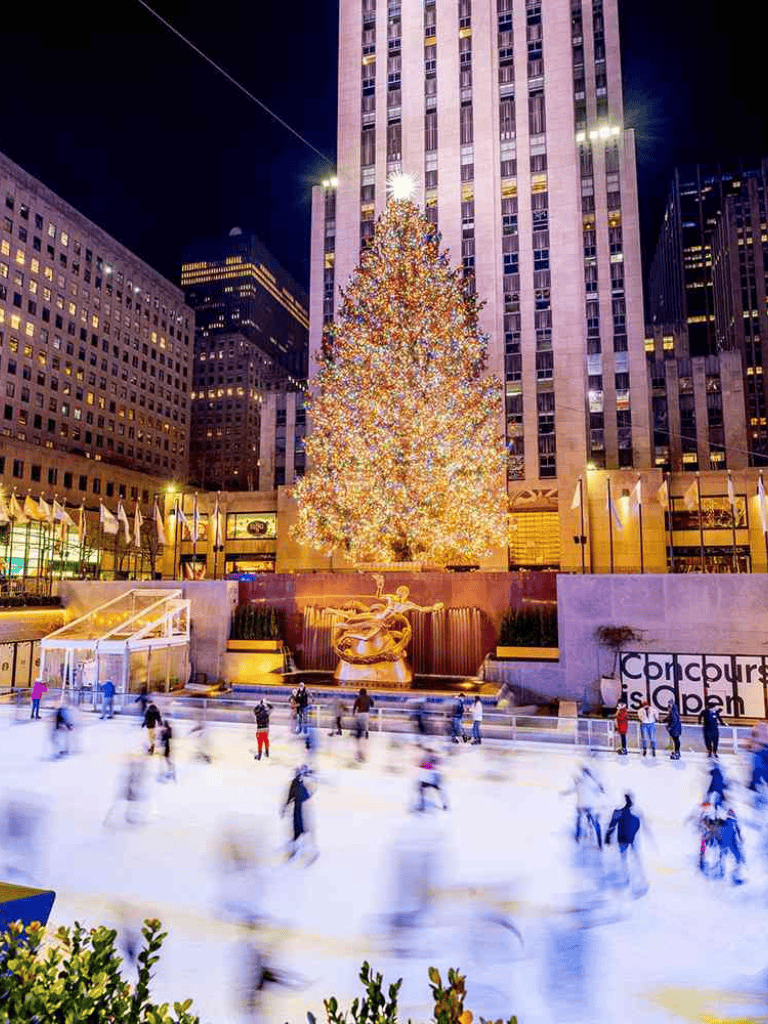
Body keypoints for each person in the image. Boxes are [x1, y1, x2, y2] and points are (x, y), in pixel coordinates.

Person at [605, 793, 648, 894]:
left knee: (624, 858)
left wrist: (607, 837)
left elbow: (612, 825)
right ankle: (638, 879)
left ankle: (627, 879)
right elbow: (640, 825)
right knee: (635, 858)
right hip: (631, 839)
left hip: (623, 839)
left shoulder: (619, 811)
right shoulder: (636, 812)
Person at [562, 763, 605, 849]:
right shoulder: (590, 782)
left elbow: (571, 790)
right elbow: (600, 790)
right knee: (596, 824)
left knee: (578, 822)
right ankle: (600, 844)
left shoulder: (580, 782)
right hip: (590, 806)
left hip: (581, 806)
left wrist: (564, 793)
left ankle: (577, 838)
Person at [282, 766, 317, 862]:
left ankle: (301, 852)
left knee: (300, 832)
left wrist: (285, 808)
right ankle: (299, 852)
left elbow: (290, 797)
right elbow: (301, 796)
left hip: (300, 812)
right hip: (299, 812)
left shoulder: (297, 784)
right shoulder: (298, 785)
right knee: (300, 832)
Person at [414, 746, 448, 812]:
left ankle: (422, 806)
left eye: (427, 752)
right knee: (438, 791)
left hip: (430, 777)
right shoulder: (435, 757)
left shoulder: (430, 757)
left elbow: (428, 766)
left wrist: (422, 764)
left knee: (422, 790)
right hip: (433, 777)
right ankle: (444, 805)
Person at [716, 807, 745, 885]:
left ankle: (730, 876)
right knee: (733, 858)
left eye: (731, 813)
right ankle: (728, 876)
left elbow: (737, 831)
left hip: (729, 842)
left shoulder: (731, 821)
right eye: (729, 813)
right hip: (728, 843)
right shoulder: (727, 821)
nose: (729, 815)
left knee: (734, 858)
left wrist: (740, 838)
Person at [159, 717, 175, 781]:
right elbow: (170, 737)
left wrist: (162, 733)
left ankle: (170, 767)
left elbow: (163, 738)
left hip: (167, 746)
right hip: (168, 745)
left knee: (167, 758)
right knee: (167, 758)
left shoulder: (165, 730)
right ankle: (170, 767)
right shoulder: (169, 729)